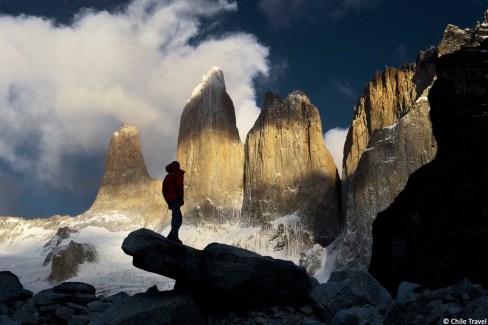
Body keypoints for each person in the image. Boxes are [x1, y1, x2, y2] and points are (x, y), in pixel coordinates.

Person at [162, 161, 185, 244]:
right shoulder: (178, 174)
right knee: (177, 218)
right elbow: (180, 187)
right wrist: (181, 198)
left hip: (171, 200)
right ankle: (173, 236)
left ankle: (173, 235)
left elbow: (164, 190)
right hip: (176, 199)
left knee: (177, 217)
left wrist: (169, 202)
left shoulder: (167, 177)